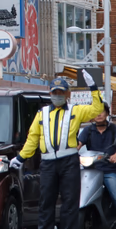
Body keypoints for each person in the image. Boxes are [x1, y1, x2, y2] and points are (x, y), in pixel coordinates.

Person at [10, 74, 103, 229]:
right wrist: (20, 157)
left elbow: (97, 108)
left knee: (70, 202)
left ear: (67, 94)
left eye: (61, 92)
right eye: (55, 93)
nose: (57, 96)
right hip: (47, 163)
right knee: (46, 201)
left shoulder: (76, 110)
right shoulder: (42, 113)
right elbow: (32, 138)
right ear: (50, 94)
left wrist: (93, 87)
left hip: (69, 162)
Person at [78, 103, 116, 205]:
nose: (98, 114)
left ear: (107, 113)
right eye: (96, 112)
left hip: (109, 170)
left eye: (102, 111)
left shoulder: (113, 129)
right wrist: (71, 153)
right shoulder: (88, 130)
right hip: (91, 170)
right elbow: (78, 144)